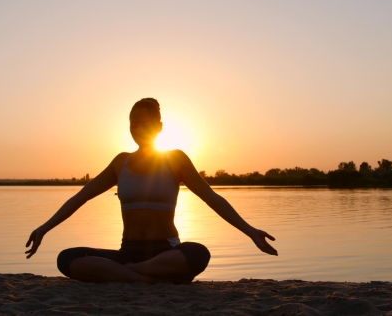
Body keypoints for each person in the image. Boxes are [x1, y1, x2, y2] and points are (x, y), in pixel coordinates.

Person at [25, 98, 277, 284]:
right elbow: (81, 197)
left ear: (159, 126)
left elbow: (212, 198)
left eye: (146, 123)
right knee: (67, 258)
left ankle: (128, 274)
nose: (139, 128)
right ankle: (143, 276)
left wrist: (251, 232)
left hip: (166, 251)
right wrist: (43, 229)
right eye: (134, 123)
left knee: (198, 253)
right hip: (128, 250)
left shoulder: (175, 159)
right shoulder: (120, 162)